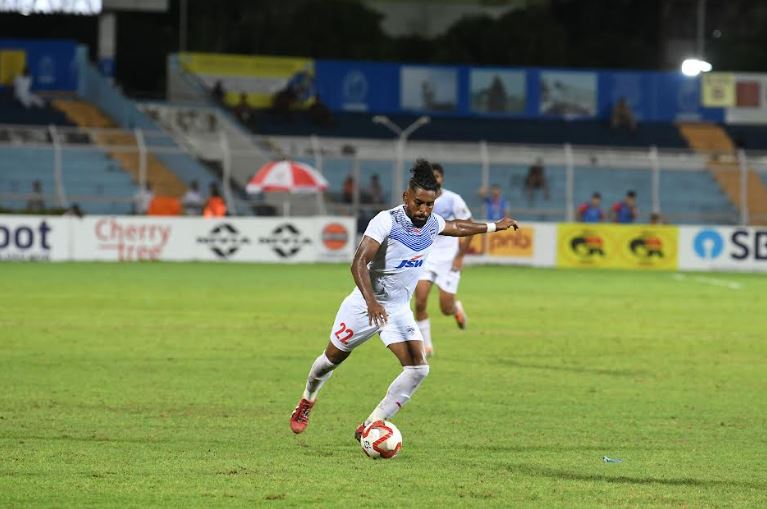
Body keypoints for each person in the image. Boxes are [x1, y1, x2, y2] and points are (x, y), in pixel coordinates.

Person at [289, 159, 518, 439]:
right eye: (419, 203)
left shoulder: (432, 223)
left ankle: (370, 425)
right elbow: (358, 263)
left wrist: (496, 226)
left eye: (429, 205)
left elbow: (457, 226)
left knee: (418, 369)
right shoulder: (386, 221)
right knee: (330, 360)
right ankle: (307, 400)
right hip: (364, 305)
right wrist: (372, 301)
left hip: (396, 310)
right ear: (405, 197)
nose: (424, 210)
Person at [414, 163, 472, 357]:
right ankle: (426, 345)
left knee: (445, 308)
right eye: (431, 176)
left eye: (437, 176)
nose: (434, 179)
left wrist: (460, 256)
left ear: (442, 179)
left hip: (448, 259)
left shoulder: (453, 200)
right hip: (425, 257)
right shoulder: (420, 199)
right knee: (420, 300)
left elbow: (469, 226)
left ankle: (455, 308)